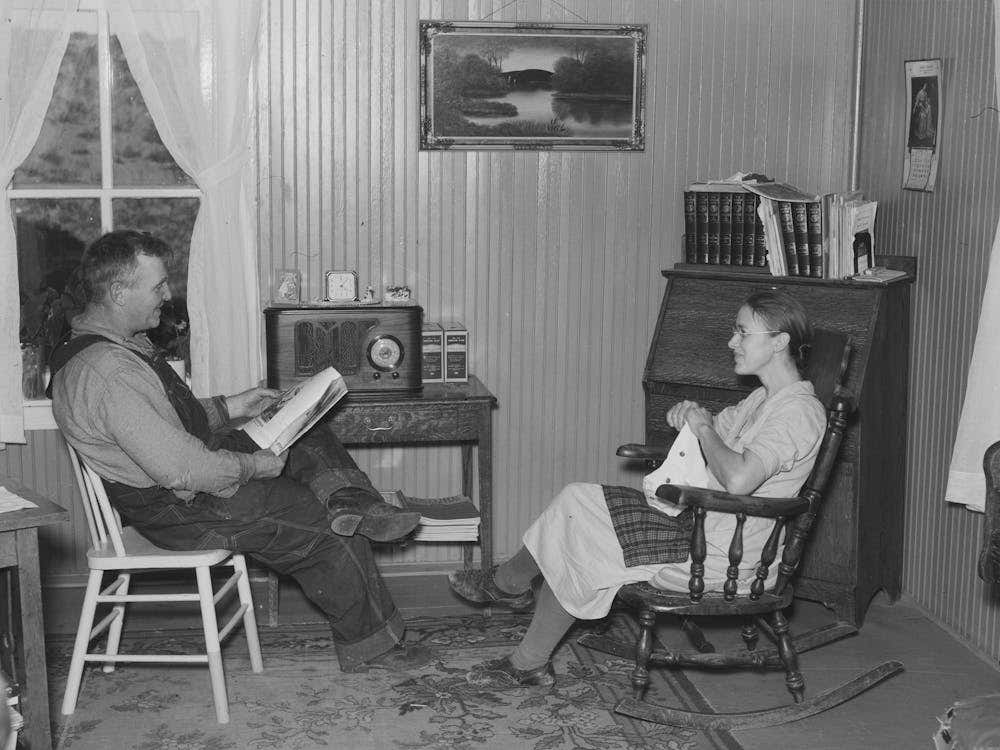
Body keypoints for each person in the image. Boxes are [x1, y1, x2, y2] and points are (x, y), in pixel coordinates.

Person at [50, 230, 426, 673]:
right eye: (157, 286)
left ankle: (357, 504)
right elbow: (184, 469)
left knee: (303, 428)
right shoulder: (107, 373)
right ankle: (374, 646)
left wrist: (232, 405)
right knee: (317, 522)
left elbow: (161, 424)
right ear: (118, 292)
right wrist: (256, 466)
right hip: (181, 508)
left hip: (188, 477)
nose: (167, 295)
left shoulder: (112, 349)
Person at [448, 290, 827, 689]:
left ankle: (516, 615)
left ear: (779, 341)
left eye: (742, 332)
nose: (732, 342)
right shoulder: (763, 399)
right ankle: (511, 593)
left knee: (583, 534)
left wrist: (701, 427)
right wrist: (691, 416)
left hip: (724, 558)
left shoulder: (798, 412)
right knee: (579, 499)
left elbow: (739, 478)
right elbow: (717, 432)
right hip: (701, 527)